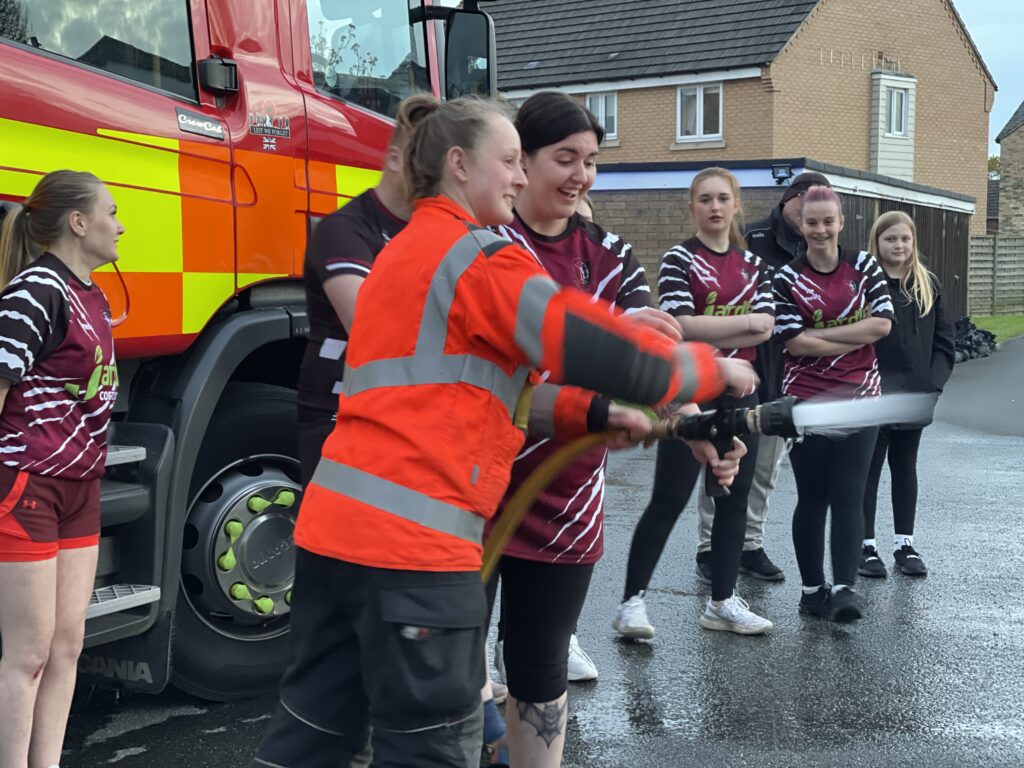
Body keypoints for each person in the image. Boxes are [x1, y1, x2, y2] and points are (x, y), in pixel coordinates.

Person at [251, 95, 754, 768]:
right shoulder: (480, 258)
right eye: (510, 160)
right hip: (416, 557)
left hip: (331, 542)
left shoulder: (401, 255)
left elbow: (473, 390)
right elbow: (608, 353)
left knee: (311, 741)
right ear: (459, 165)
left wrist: (593, 416)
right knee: (429, 750)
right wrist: (711, 371)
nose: (520, 178)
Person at [483, 92, 714, 768]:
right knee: (453, 669)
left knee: (541, 666)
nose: (582, 175)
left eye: (591, 161)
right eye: (566, 158)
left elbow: (645, 361)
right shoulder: (486, 242)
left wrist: (688, 420)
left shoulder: (608, 253)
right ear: (519, 161)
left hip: (566, 492)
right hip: (476, 484)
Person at [615, 167, 774, 640]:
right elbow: (680, 325)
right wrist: (743, 324)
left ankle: (722, 602)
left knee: (733, 498)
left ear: (736, 204)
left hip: (743, 393)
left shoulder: (755, 265)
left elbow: (768, 325)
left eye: (723, 198)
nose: (715, 207)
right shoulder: (679, 258)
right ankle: (631, 604)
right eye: (704, 199)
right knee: (669, 498)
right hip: (690, 392)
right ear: (692, 208)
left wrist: (726, 324)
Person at [0, 170, 123, 767]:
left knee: (67, 644)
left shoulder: (91, 294)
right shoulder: (35, 291)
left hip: (82, 485)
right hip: (30, 484)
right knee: (27, 655)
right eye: (111, 212)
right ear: (79, 223)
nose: (119, 225)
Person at [695, 171, 833, 583]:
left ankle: (750, 544)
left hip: (786, 377)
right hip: (735, 371)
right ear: (790, 201)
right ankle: (709, 547)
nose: (815, 218)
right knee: (722, 461)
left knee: (766, 468)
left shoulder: (822, 251)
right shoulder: (752, 240)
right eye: (807, 204)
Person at [298, 94, 434, 486]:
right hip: (342, 418)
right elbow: (374, 329)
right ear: (394, 159)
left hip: (411, 421)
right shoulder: (345, 229)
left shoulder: (442, 229)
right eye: (427, 162)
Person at [772, 185, 894, 623]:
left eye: (828, 221)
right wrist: (851, 330)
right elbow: (796, 345)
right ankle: (811, 590)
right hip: (808, 403)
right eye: (812, 222)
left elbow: (881, 326)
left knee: (849, 494)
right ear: (799, 225)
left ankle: (843, 588)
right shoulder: (785, 279)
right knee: (813, 497)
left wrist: (819, 338)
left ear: (842, 222)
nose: (820, 229)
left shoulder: (863, 266)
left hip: (863, 399)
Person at [859, 211, 954, 577]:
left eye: (905, 239)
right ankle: (865, 546)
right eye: (890, 239)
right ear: (877, 243)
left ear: (913, 243)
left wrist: (934, 384)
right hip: (873, 395)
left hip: (916, 394)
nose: (898, 245)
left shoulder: (928, 285)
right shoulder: (866, 286)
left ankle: (904, 544)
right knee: (869, 470)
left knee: (905, 468)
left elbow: (945, 344)